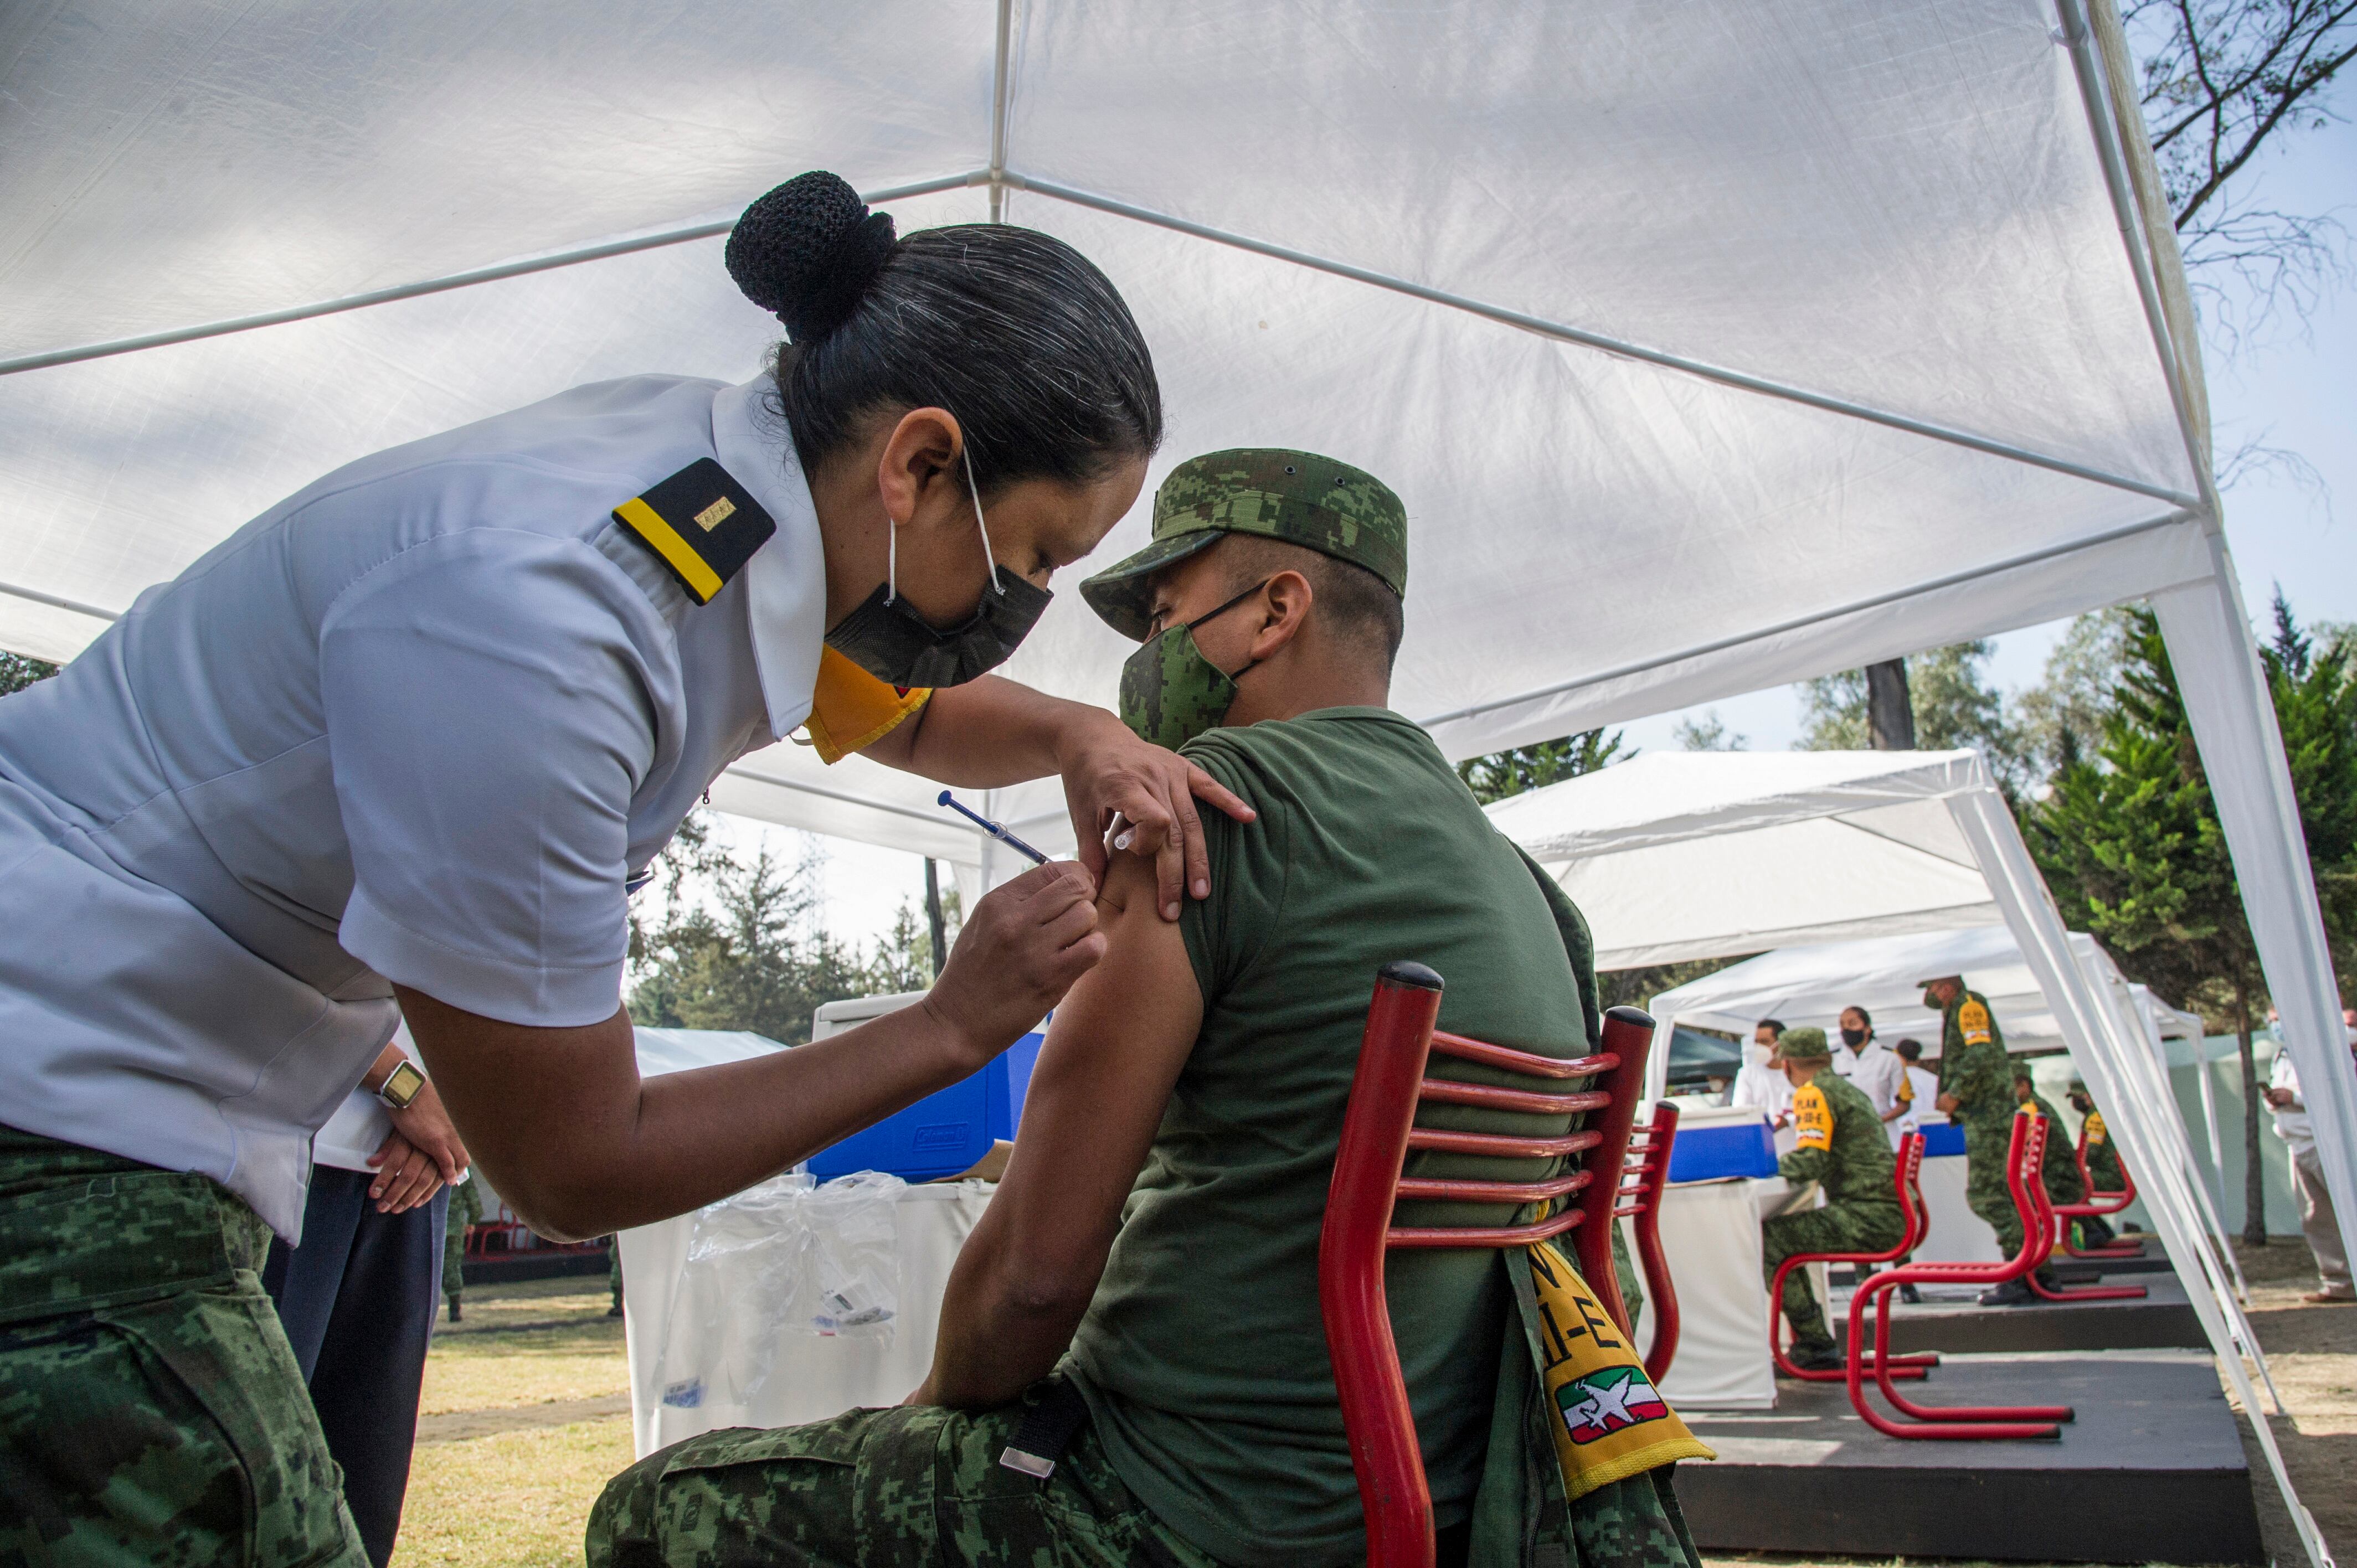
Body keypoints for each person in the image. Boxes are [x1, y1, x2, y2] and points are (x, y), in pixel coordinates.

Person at [0, 171, 1250, 1564]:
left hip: (145, 1077)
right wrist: (952, 1026)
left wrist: (1080, 733)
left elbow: (899, 709)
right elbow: (574, 1164)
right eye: (1033, 557)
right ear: (917, 465)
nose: (1026, 605)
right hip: (54, 1095)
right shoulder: (543, 630)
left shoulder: (730, 502)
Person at [590, 451, 1707, 1567]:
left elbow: (1031, 1282)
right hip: (1453, 1504)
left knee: (649, 1515)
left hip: (1182, 1509)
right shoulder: (1532, 895)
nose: (1148, 656)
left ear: (1275, 611)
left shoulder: (1199, 816)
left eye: (1167, 616)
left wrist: (927, 1417)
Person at [261, 1028, 464, 1567]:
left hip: (422, 1172)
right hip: (287, 1142)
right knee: (253, 1465)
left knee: (366, 1491)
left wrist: (452, 1115)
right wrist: (406, 1088)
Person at [1757, 1028, 1904, 1374]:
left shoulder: (1812, 1093)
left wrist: (1756, 1168)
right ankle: (1814, 1341)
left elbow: (1811, 1161)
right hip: (1889, 1212)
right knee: (1784, 1235)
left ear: (1788, 1064)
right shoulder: (1847, 1089)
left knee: (1771, 1238)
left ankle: (1814, 1344)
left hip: (1870, 1218)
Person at [1923, 974, 2046, 1307]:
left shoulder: (1969, 1005)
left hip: (1988, 1115)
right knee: (2005, 1194)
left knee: (1990, 1195)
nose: (1931, 995)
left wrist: (1955, 1093)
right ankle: (2036, 1272)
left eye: (1933, 987)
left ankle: (2021, 1274)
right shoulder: (1961, 1008)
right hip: (1987, 1114)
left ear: (1947, 985)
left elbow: (1979, 1054)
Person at [2263, 1023, 2356, 1304]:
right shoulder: (2281, 1056)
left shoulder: (2325, 1049)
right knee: (2317, 1219)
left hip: (2326, 1142)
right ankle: (2340, 1284)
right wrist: (2274, 1101)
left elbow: (2343, 1092)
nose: (2276, 1026)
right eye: (2272, 1020)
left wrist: (2295, 1098)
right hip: (2297, 1146)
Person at [2010, 1071, 2093, 1246]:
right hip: (2059, 1170)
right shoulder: (2037, 1104)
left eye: (2012, 1088)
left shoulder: (2030, 1108)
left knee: (2019, 1196)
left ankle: (2030, 1247)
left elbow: (2021, 1142)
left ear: (2024, 1086)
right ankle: (2096, 1231)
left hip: (2057, 1172)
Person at [1840, 1005, 1908, 1125]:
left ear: (1868, 1028)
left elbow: (1904, 1102)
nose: (1847, 1029)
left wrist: (1879, 1121)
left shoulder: (1889, 1058)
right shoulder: (1833, 1059)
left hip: (1883, 1128)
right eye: (1843, 1025)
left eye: (1853, 1024)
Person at [1731, 1019, 1795, 1127]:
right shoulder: (1747, 1074)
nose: (1759, 1046)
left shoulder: (1797, 1072)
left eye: (1764, 1041)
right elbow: (1741, 1111)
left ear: (1780, 1044)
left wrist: (1788, 1122)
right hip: (1763, 1136)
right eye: (1756, 1042)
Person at [442, 1165, 484, 1323]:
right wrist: (472, 1221)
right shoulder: (459, 1166)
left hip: (428, 1228)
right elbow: (474, 1200)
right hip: (454, 1228)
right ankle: (454, 1310)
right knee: (452, 1268)